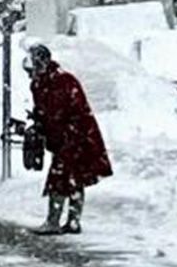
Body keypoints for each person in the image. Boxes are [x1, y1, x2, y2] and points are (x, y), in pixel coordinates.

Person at [23, 44, 113, 235]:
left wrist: (57, 129)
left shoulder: (64, 82)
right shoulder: (39, 84)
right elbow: (44, 111)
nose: (30, 75)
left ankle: (55, 221)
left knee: (63, 178)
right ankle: (72, 221)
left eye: (31, 70)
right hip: (64, 138)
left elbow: (69, 111)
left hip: (77, 137)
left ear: (41, 64)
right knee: (72, 178)